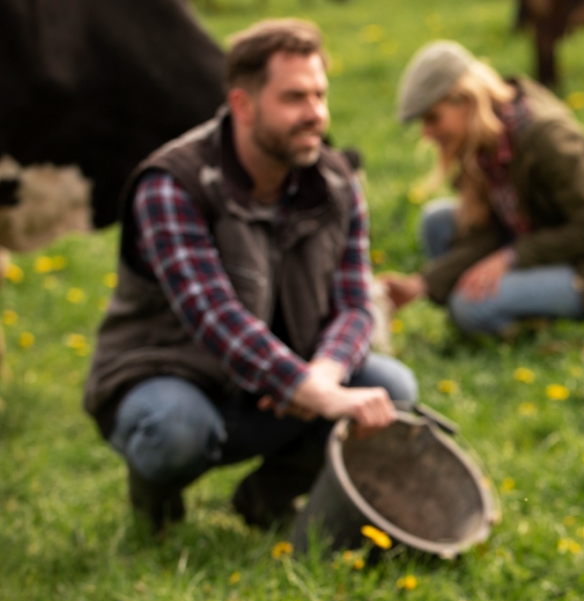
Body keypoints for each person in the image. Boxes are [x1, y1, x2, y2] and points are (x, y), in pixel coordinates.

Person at [82, 19, 417, 530]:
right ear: (242, 104)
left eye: (320, 95)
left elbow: (354, 303)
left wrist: (324, 375)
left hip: (279, 386)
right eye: (294, 98)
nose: (316, 115)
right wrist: (311, 389)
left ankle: (265, 499)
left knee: (391, 389)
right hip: (173, 376)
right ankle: (155, 495)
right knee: (175, 431)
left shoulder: (336, 182)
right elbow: (216, 319)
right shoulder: (172, 185)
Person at [381, 41, 584, 338]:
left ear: (464, 99)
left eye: (432, 118)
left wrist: (509, 259)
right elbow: (488, 231)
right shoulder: (484, 142)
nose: (426, 133)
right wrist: (423, 284)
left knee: (468, 306)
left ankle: (523, 330)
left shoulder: (546, 136)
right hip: (538, 242)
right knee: (437, 221)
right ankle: (500, 314)